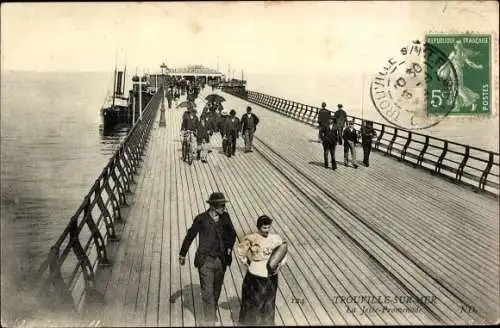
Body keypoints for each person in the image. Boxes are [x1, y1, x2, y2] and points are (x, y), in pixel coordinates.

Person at [179, 192, 237, 326]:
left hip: (221, 261)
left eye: (223, 205)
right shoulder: (201, 219)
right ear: (213, 206)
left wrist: (229, 247)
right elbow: (190, 236)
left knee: (216, 291)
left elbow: (232, 234)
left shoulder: (225, 218)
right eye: (221, 206)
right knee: (207, 294)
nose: (224, 208)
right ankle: (209, 321)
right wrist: (182, 254)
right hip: (205, 261)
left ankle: (212, 311)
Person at [236, 215, 287, 326]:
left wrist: (280, 264)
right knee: (255, 301)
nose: (267, 230)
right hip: (256, 275)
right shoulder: (252, 238)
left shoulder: (276, 238)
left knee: (269, 301)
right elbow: (241, 252)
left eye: (268, 227)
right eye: (264, 228)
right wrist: (247, 263)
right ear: (259, 227)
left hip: (271, 275)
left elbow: (283, 252)